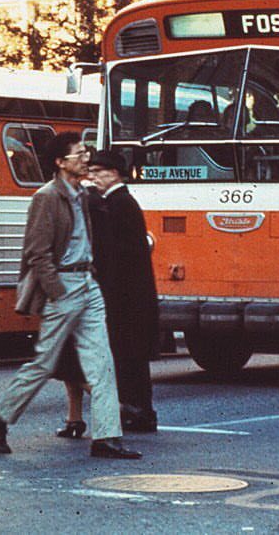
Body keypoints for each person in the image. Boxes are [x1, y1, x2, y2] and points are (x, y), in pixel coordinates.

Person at [0, 132, 141, 459]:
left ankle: (107, 437)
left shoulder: (82, 194)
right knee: (45, 362)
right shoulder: (47, 197)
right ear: (60, 162)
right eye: (79, 154)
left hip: (86, 282)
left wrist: (91, 276)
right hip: (65, 286)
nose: (86, 159)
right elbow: (36, 253)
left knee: (102, 362)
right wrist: (57, 290)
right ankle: (0, 417)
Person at [57, 151, 160, 435]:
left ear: (114, 173)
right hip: (131, 295)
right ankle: (137, 411)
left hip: (124, 295)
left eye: (99, 172)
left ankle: (134, 412)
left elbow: (112, 255)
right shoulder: (119, 202)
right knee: (129, 357)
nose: (94, 177)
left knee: (127, 357)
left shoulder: (118, 203)